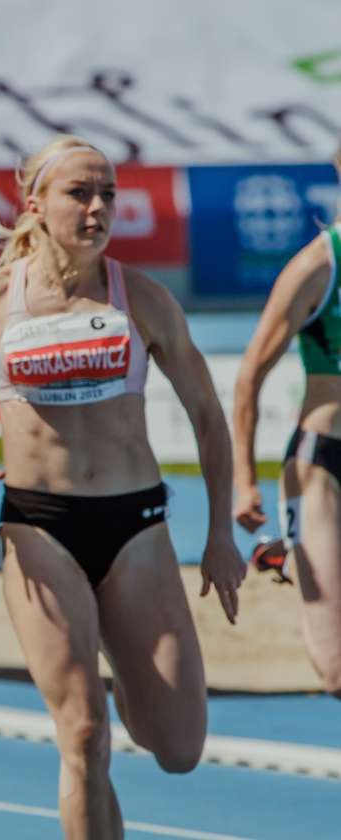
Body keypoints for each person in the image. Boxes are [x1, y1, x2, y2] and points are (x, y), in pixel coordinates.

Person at [0, 135, 245, 838]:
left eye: (108, 195)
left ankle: (121, 668)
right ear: (35, 204)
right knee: (84, 734)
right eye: (79, 193)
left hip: (136, 528)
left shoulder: (142, 299)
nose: (98, 209)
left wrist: (221, 535)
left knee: (178, 748)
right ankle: (90, 709)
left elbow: (209, 419)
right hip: (40, 529)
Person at [232, 145, 341, 699]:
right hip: (324, 466)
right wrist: (244, 481)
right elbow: (249, 376)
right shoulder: (318, 265)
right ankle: (294, 550)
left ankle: (293, 554)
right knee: (336, 668)